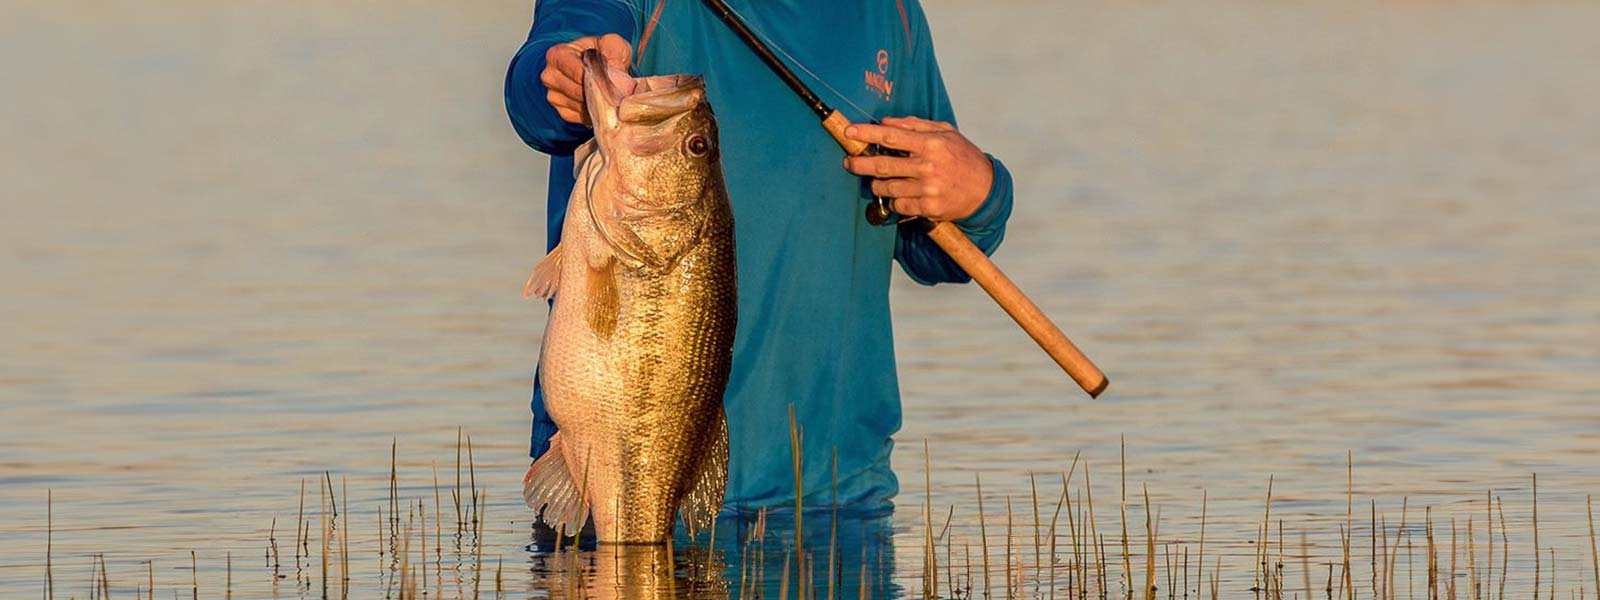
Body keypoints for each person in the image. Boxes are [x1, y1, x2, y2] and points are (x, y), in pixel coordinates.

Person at [505, 0, 1014, 513]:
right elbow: (539, 96)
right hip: (621, 489)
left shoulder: (893, 13)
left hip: (846, 505)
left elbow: (938, 252)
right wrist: (563, 73)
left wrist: (981, 195)